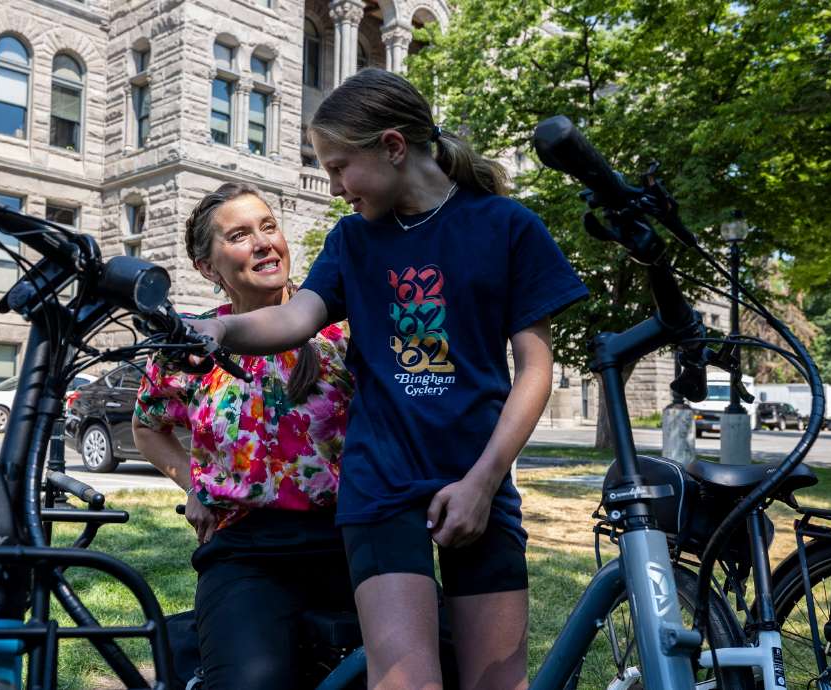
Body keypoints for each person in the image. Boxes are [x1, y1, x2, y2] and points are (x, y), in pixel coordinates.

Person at [186, 68, 590, 690]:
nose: (334, 186)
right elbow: (295, 318)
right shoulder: (352, 240)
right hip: (381, 486)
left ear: (393, 147)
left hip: (479, 477)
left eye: (340, 167)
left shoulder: (508, 227)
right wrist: (219, 330)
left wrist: (483, 482)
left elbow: (535, 369)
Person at [132, 182, 356, 690]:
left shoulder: (340, 332)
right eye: (239, 236)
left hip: (350, 541)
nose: (262, 243)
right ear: (208, 268)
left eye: (268, 227)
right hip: (246, 552)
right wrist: (193, 485)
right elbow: (147, 428)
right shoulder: (191, 345)